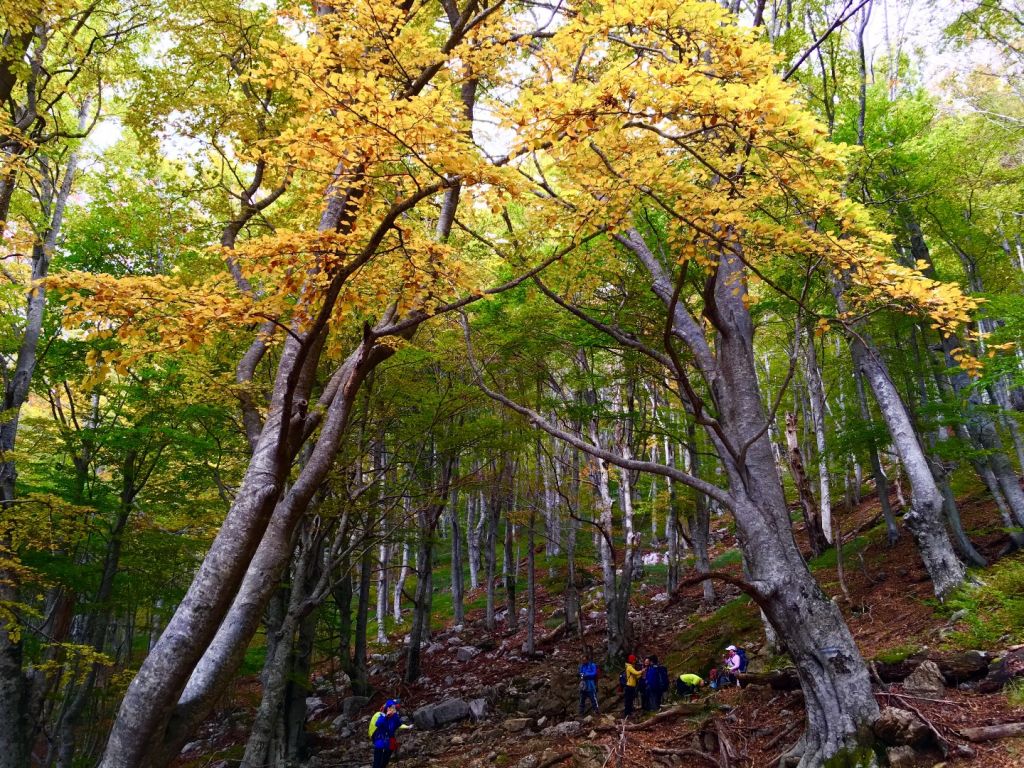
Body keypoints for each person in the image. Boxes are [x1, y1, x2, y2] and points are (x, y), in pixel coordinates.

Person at [370, 699, 412, 768]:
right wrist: (386, 716)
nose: (393, 710)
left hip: (389, 739)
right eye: (391, 708)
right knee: (378, 758)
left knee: (386, 756)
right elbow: (378, 724)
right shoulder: (381, 715)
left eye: (394, 708)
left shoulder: (395, 717)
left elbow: (398, 724)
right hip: (380, 738)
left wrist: (407, 727)